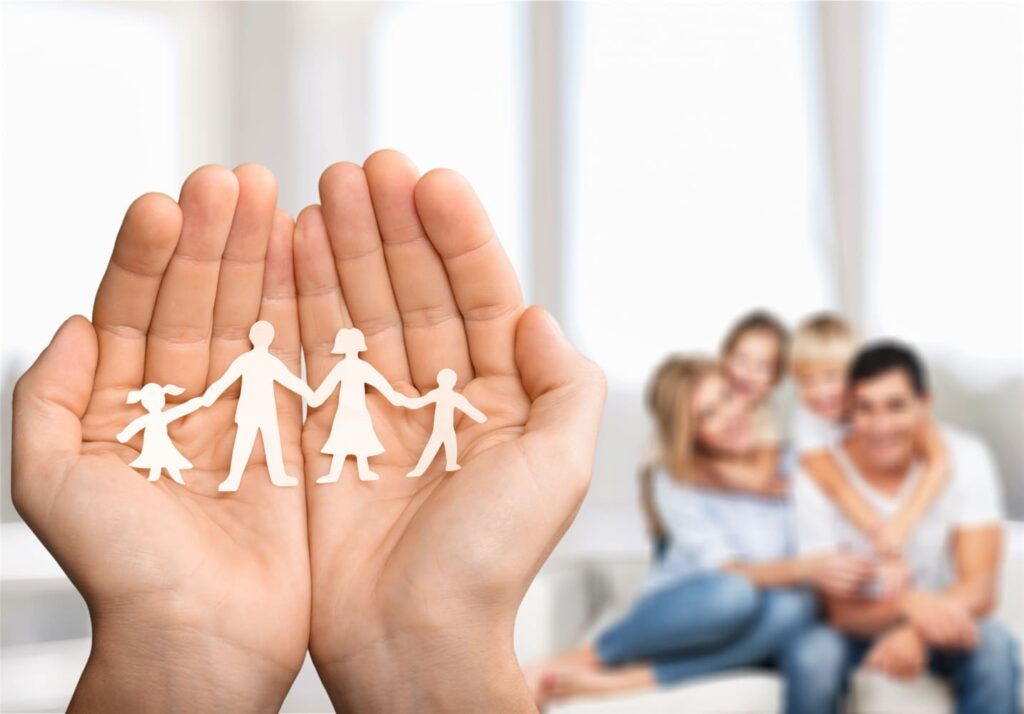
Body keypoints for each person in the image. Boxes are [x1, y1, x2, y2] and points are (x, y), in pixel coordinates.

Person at [10, 152, 607, 712]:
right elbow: (243, 390)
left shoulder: (310, 365)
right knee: (265, 446)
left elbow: (322, 391)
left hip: (290, 417)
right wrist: (171, 640)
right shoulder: (256, 364)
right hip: (253, 417)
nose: (268, 345)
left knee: (308, 446)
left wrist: (439, 637)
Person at [529, 355, 870, 705]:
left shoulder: (792, 463)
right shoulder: (678, 478)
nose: (729, 416)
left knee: (798, 609)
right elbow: (730, 573)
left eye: (726, 397)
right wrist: (805, 568)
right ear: (689, 431)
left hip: (770, 619)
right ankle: (593, 656)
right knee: (734, 593)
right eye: (707, 414)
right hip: (695, 610)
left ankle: (641, 678)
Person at [783, 342, 1019, 714]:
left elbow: (980, 589)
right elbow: (840, 612)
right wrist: (909, 603)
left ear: (924, 403)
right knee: (812, 657)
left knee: (995, 647)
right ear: (848, 408)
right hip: (853, 628)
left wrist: (916, 629)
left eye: (896, 406)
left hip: (942, 617)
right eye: (866, 408)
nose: (881, 427)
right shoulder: (816, 477)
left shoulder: (967, 457)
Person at [790, 313, 948, 556]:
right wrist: (886, 540)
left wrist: (903, 523)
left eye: (831, 376)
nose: (820, 392)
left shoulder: (885, 401)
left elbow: (939, 461)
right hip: (836, 499)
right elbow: (837, 486)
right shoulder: (808, 420)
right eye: (806, 381)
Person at [202, 319, 316, 492]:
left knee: (268, 443)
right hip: (251, 410)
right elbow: (226, 379)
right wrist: (211, 395)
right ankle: (234, 479)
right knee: (247, 443)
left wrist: (309, 394)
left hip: (264, 410)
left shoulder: (257, 361)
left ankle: (276, 476)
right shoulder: (253, 361)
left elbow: (291, 381)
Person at [309, 326, 407, 483]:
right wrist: (316, 398)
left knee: (359, 439)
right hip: (346, 411)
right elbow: (328, 385)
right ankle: (334, 474)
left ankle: (363, 471)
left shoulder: (359, 367)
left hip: (357, 410)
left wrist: (394, 396)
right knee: (341, 441)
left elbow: (380, 383)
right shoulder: (345, 367)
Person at [716, 310, 789, 492]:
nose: (749, 373)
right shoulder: (707, 393)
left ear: (775, 380)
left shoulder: (765, 414)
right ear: (723, 359)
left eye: (763, 367)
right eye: (741, 359)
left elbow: (762, 477)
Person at [404, 367, 487, 478]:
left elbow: (418, 403)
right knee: (438, 446)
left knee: (445, 445)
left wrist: (404, 401)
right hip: (442, 428)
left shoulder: (440, 394)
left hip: (444, 428)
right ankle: (421, 469)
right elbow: (469, 409)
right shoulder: (452, 396)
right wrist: (481, 418)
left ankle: (448, 464)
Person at [115, 383, 204, 484]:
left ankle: (174, 479)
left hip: (162, 442)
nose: (154, 402)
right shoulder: (154, 417)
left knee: (169, 461)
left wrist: (195, 403)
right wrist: (124, 435)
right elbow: (135, 425)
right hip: (153, 443)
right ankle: (155, 477)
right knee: (159, 461)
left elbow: (180, 410)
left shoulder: (161, 416)